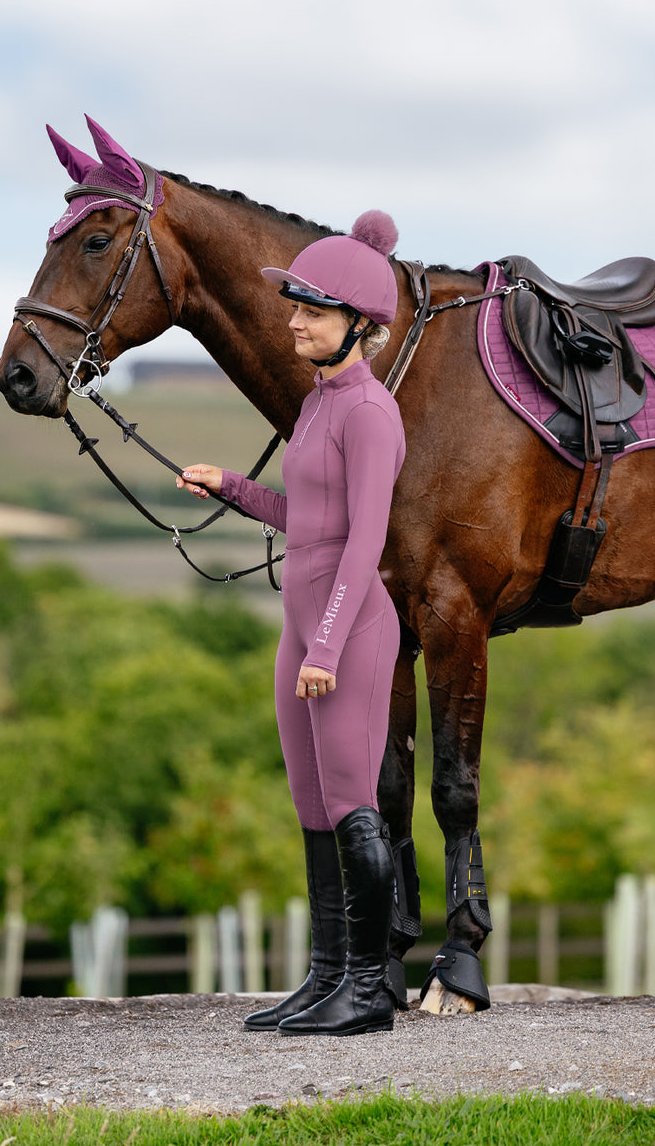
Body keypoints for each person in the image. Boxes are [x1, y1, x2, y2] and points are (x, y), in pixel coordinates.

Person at [176, 211, 405, 1036]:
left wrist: (329, 646)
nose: (295, 322)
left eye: (311, 310)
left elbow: (365, 542)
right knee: (312, 805)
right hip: (302, 633)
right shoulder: (316, 403)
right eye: (296, 307)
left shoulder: (369, 412)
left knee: (351, 802)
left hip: (347, 633)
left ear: (357, 323)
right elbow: (305, 519)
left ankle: (370, 991)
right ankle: (326, 976)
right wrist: (232, 486)